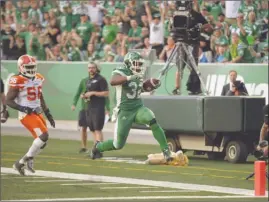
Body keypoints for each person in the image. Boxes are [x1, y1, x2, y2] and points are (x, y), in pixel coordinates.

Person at [90, 51, 173, 162]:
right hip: (124, 111)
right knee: (118, 144)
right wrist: (129, 78)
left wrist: (150, 85)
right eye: (136, 63)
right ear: (128, 63)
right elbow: (113, 81)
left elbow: (138, 89)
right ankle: (98, 146)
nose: (138, 66)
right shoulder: (121, 71)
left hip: (138, 107)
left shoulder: (137, 74)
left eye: (139, 63)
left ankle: (166, 151)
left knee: (151, 119)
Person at [6, 55, 55, 176]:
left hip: (37, 112)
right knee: (44, 136)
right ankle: (21, 162)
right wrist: (22, 108)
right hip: (26, 114)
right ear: (21, 67)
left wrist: (48, 113)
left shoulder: (38, 78)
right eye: (28, 67)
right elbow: (8, 100)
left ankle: (27, 161)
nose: (31, 69)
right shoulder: (17, 79)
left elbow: (40, 96)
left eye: (33, 67)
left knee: (42, 142)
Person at [81, 62, 109, 157]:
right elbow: (87, 92)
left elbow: (106, 93)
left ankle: (100, 151)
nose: (91, 69)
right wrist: (84, 95)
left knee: (97, 129)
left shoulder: (101, 79)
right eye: (89, 68)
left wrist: (93, 93)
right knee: (92, 129)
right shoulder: (89, 80)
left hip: (98, 107)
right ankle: (96, 149)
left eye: (93, 68)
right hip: (89, 107)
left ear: (96, 68)